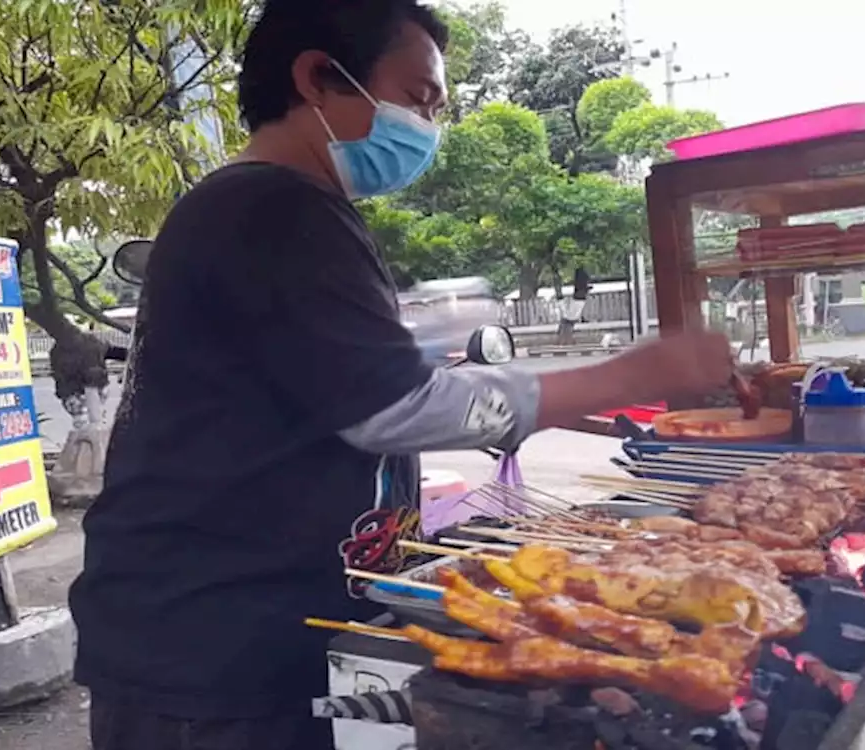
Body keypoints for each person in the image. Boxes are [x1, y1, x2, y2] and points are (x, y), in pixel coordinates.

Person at [68, 2, 734, 749]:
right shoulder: (275, 208)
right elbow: (392, 409)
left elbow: (335, 387)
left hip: (234, 636)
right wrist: (628, 375)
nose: (427, 126)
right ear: (318, 76)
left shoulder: (266, 208)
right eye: (418, 98)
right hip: (216, 651)